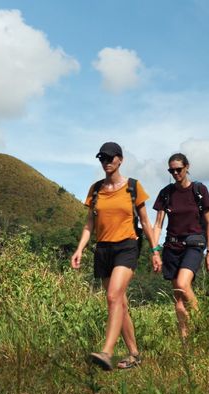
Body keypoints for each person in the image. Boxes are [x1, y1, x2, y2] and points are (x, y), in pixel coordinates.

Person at [71, 142, 161, 371]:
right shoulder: (96, 190)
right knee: (119, 302)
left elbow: (145, 222)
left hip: (127, 246)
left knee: (113, 297)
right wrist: (80, 248)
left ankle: (106, 352)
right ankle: (134, 355)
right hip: (103, 249)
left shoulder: (133, 187)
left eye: (110, 158)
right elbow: (89, 224)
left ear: (120, 159)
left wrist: (154, 250)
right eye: (102, 158)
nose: (106, 162)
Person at [151, 153, 209, 340]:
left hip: (194, 244)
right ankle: (186, 342)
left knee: (182, 283)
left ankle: (203, 324)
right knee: (178, 300)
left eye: (179, 169)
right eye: (171, 170)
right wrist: (154, 250)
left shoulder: (199, 190)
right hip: (172, 246)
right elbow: (157, 225)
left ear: (187, 167)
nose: (175, 173)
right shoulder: (166, 193)